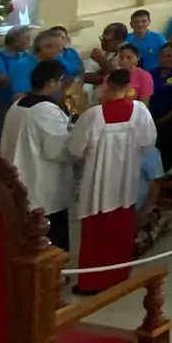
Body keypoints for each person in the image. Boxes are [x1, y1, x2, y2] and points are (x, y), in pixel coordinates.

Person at [68, 69, 156, 292]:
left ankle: (91, 282)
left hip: (98, 181)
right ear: (128, 88)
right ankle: (119, 276)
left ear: (106, 86)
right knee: (121, 229)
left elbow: (75, 149)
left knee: (96, 232)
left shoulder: (93, 115)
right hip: (125, 181)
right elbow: (148, 143)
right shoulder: (140, 111)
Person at [0, 59, 73, 252]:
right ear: (51, 82)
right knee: (50, 243)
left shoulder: (17, 105)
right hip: (42, 188)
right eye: (61, 81)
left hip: (18, 184)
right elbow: (57, 150)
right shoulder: (46, 110)